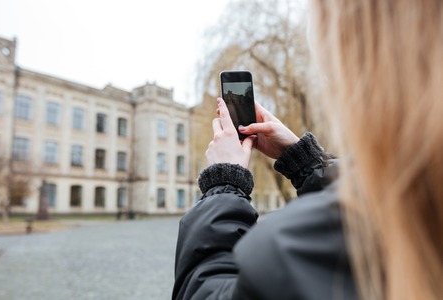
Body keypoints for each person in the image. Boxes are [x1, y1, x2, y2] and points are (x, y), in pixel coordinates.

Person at [173, 1, 443, 300]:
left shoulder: (290, 250)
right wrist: (303, 161)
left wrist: (223, 184)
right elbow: (378, 193)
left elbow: (205, 290)